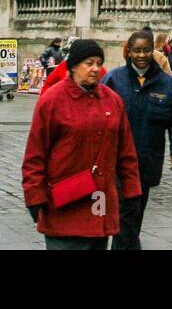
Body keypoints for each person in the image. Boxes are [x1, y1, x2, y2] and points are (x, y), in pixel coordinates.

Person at [21, 39, 143, 250]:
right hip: (65, 202)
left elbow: (126, 153)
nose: (96, 69)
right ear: (73, 65)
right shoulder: (52, 100)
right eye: (89, 63)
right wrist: (35, 198)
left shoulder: (112, 100)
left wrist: (132, 193)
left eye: (99, 63)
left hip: (100, 200)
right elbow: (35, 154)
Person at [103, 30, 172, 249]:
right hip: (115, 162)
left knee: (134, 214)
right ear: (129, 52)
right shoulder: (114, 79)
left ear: (153, 51)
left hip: (146, 161)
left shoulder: (167, 85)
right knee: (123, 215)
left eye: (146, 50)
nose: (142, 55)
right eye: (137, 50)